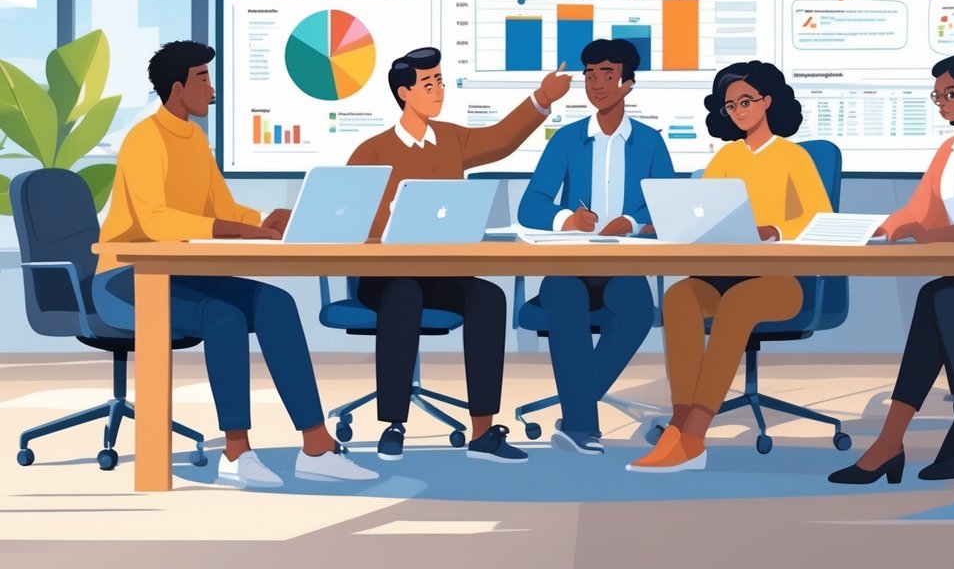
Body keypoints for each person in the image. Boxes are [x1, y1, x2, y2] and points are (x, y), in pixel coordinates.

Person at [92, 41, 377, 489]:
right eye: (202, 78)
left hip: (178, 271)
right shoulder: (145, 139)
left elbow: (221, 206)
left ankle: (317, 445)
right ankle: (236, 451)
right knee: (223, 317)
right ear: (176, 87)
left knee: (276, 303)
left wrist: (264, 221)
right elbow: (155, 220)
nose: (211, 88)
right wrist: (240, 230)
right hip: (125, 278)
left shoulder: (195, 139)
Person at [347, 46, 571, 463]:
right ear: (404, 93)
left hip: (440, 274)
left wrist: (542, 98)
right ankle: (393, 424)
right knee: (403, 294)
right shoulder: (370, 152)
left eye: (440, 82)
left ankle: (483, 431)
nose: (439, 90)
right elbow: (352, 222)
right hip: (384, 277)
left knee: (488, 296)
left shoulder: (452, 139)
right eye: (428, 84)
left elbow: (502, 139)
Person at [829, 53, 954, 485]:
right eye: (936, 96)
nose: (942, 102)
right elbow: (919, 209)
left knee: (942, 295)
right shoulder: (946, 151)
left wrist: (930, 236)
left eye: (950, 93)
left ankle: (914, 435)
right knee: (942, 295)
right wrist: (878, 231)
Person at [627, 60, 832, 473]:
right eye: (730, 106)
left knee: (739, 303)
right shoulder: (726, 156)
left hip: (781, 280)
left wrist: (773, 229)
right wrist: (672, 223)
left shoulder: (794, 157)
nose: (738, 111)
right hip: (720, 275)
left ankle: (693, 437)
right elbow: (702, 212)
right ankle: (679, 422)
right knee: (679, 296)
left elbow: (821, 219)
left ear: (768, 101)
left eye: (745, 101)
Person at [517, 39, 675, 454]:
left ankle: (574, 413)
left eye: (608, 74)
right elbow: (530, 204)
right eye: (590, 75)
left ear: (628, 83)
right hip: (571, 262)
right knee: (563, 301)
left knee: (639, 311)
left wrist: (635, 222)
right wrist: (564, 219)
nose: (597, 83)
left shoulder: (651, 143)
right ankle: (583, 427)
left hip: (623, 263)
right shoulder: (567, 140)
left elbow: (670, 211)